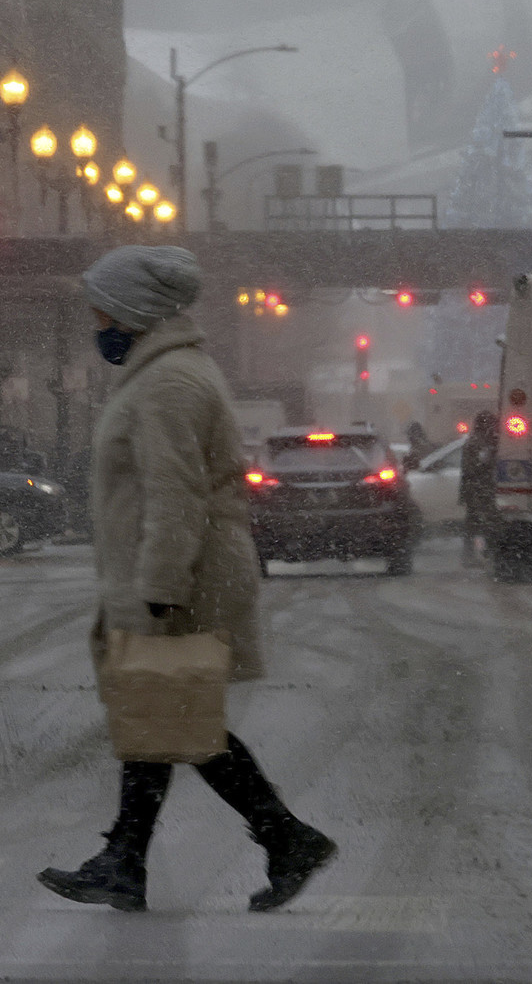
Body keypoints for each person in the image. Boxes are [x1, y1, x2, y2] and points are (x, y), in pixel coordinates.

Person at [38, 244, 336, 915]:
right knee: (163, 723)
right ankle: (136, 857)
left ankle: (280, 837)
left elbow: (175, 495)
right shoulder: (162, 372)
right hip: (178, 572)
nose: (98, 323)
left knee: (177, 724)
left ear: (134, 312)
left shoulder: (168, 382)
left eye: (103, 311)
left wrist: (159, 589)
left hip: (181, 578)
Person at [459, 410, 499, 564]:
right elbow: (473, 468)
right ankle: (477, 554)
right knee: (481, 523)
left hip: (477, 489)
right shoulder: (477, 443)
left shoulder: (478, 441)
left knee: (475, 523)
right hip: (479, 489)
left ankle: (475, 554)